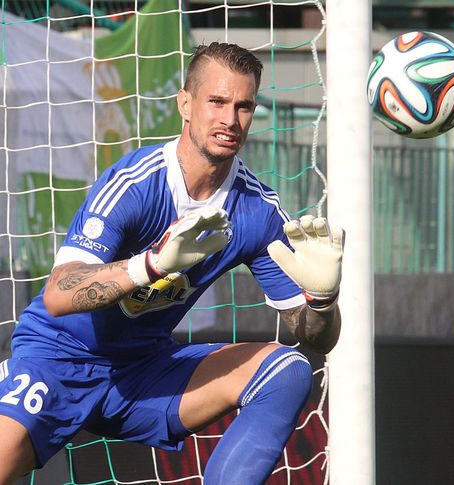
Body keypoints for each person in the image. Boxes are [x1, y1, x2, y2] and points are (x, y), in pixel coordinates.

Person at [0, 42, 344, 485]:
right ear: (185, 103)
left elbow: (317, 339)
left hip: (144, 373)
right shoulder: (135, 184)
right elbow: (59, 294)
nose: (229, 119)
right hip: (58, 359)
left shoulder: (257, 211)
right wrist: (153, 264)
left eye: (243, 106)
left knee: (287, 371)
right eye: (216, 101)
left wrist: (323, 301)